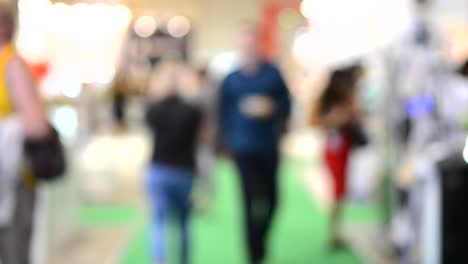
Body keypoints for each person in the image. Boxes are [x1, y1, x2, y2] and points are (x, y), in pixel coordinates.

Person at [219, 25, 291, 264]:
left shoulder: (272, 74)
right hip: (243, 149)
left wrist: (272, 108)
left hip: (268, 146)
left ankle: (260, 241)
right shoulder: (231, 79)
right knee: (249, 202)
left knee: (273, 200)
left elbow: (287, 106)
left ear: (258, 43)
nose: (248, 46)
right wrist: (226, 143)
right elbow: (222, 114)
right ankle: (253, 256)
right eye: (244, 42)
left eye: (252, 41)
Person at [0, 3, 49, 264]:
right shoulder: (13, 64)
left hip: (10, 172)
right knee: (14, 246)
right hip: (11, 174)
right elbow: (35, 126)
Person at [145, 61, 203, 264]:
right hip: (184, 171)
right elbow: (199, 139)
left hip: (159, 169)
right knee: (184, 223)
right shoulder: (193, 111)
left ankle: (159, 260)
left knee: (159, 222)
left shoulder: (154, 110)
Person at [314, 65, 364, 249]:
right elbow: (318, 122)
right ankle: (332, 232)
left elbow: (356, 118)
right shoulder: (326, 100)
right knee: (336, 191)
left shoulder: (348, 98)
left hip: (344, 148)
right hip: (333, 150)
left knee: (340, 192)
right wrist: (336, 119)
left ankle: (336, 230)